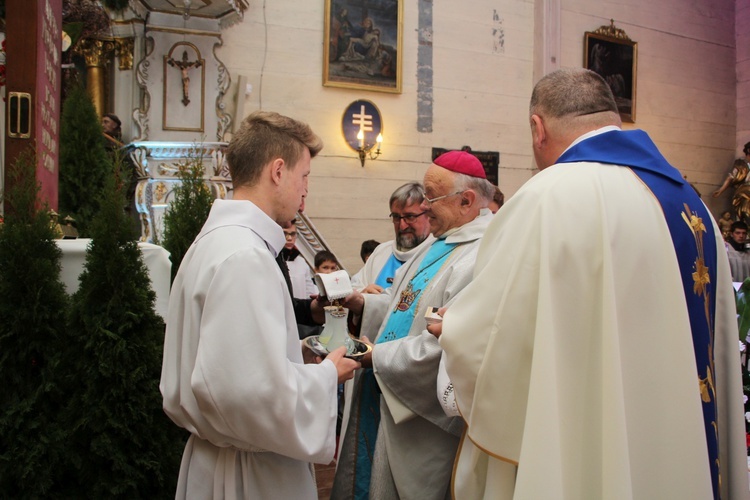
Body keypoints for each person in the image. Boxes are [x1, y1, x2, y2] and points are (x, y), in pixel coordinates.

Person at [437, 68, 748, 499]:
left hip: (588, 447)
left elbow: (489, 339)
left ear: (537, 127)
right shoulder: (691, 203)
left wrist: (452, 326)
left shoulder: (548, 196)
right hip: (680, 446)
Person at [160, 110, 360, 499]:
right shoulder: (245, 256)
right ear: (278, 171)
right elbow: (250, 396)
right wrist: (326, 376)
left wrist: (295, 356)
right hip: (248, 475)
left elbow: (227, 368)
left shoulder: (217, 241)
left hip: (220, 460)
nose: (306, 192)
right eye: (305, 177)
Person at [331, 150, 495, 500]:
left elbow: (450, 341)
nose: (425, 206)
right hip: (386, 390)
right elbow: (399, 306)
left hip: (420, 419)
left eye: (432, 197)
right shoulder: (436, 243)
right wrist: (364, 304)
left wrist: (379, 357)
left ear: (466, 201)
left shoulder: (484, 254)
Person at [350, 182, 433, 292]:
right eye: (396, 217)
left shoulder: (437, 254)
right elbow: (354, 286)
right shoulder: (381, 251)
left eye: (410, 217)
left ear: (429, 215)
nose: (402, 226)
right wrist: (363, 294)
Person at [713, 144, 750, 222]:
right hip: (743, 193)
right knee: (745, 212)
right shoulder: (740, 163)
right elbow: (731, 177)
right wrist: (721, 190)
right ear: (748, 150)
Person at [282, 223, 318, 299]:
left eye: (293, 234)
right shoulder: (271, 259)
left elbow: (309, 291)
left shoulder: (301, 262)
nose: (289, 238)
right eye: (284, 233)